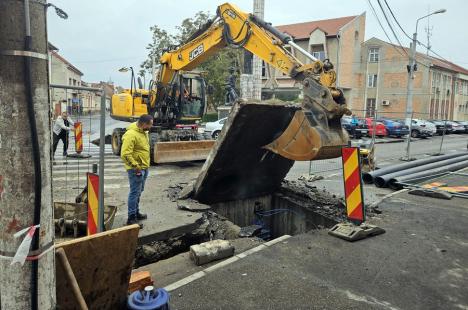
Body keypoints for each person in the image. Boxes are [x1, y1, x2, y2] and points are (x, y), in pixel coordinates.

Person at [121, 114, 153, 227]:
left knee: (139, 191)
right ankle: (131, 218)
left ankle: (136, 212)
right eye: (150, 124)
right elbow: (125, 154)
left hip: (144, 167)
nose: (151, 127)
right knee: (134, 192)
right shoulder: (131, 134)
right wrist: (136, 166)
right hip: (136, 169)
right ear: (143, 124)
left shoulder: (144, 132)